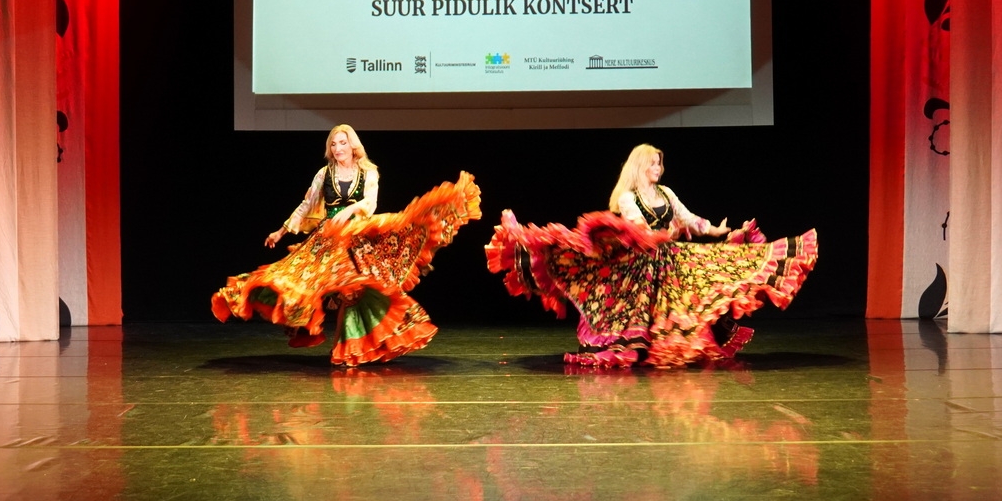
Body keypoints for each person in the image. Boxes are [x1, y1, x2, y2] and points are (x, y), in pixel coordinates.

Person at [486, 144, 817, 367]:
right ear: (641, 166)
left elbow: (688, 218)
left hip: (669, 258)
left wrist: (717, 230)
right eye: (654, 163)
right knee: (641, 310)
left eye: (660, 162)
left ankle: (675, 348)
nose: (658, 167)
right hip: (641, 263)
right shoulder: (628, 197)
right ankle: (641, 349)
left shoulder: (666, 193)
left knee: (692, 294)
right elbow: (638, 228)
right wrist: (664, 233)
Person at [213, 125, 481, 366]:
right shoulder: (324, 174)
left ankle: (350, 349)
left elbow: (370, 203)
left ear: (353, 146)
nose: (337, 148)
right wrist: (281, 231)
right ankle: (258, 300)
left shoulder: (368, 172)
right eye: (333, 144)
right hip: (327, 238)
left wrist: (350, 210)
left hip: (356, 237)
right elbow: (306, 205)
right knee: (295, 278)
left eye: (342, 143)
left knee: (356, 291)